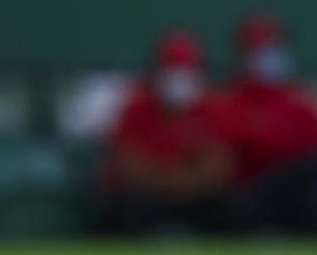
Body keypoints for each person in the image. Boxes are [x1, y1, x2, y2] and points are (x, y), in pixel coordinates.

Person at [213, 13, 317, 234]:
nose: (271, 56)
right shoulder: (231, 100)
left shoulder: (299, 99)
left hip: (299, 198)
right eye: (262, 50)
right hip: (252, 196)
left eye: (275, 47)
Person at [98, 29, 240, 235]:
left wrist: (183, 183)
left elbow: (220, 165)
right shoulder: (136, 108)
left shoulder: (213, 108)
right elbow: (128, 164)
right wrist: (169, 181)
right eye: (172, 71)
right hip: (150, 196)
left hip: (197, 196)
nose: (178, 80)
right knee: (128, 205)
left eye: (185, 71)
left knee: (233, 206)